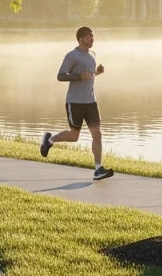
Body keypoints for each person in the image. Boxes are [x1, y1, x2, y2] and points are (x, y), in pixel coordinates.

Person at [40, 26, 114, 180]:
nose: (92, 40)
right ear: (81, 39)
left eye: (93, 37)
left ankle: (98, 168)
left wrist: (97, 73)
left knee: (97, 134)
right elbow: (60, 76)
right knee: (74, 136)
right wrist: (79, 76)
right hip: (75, 102)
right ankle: (49, 140)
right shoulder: (72, 55)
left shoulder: (92, 55)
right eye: (88, 37)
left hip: (90, 101)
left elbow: (89, 75)